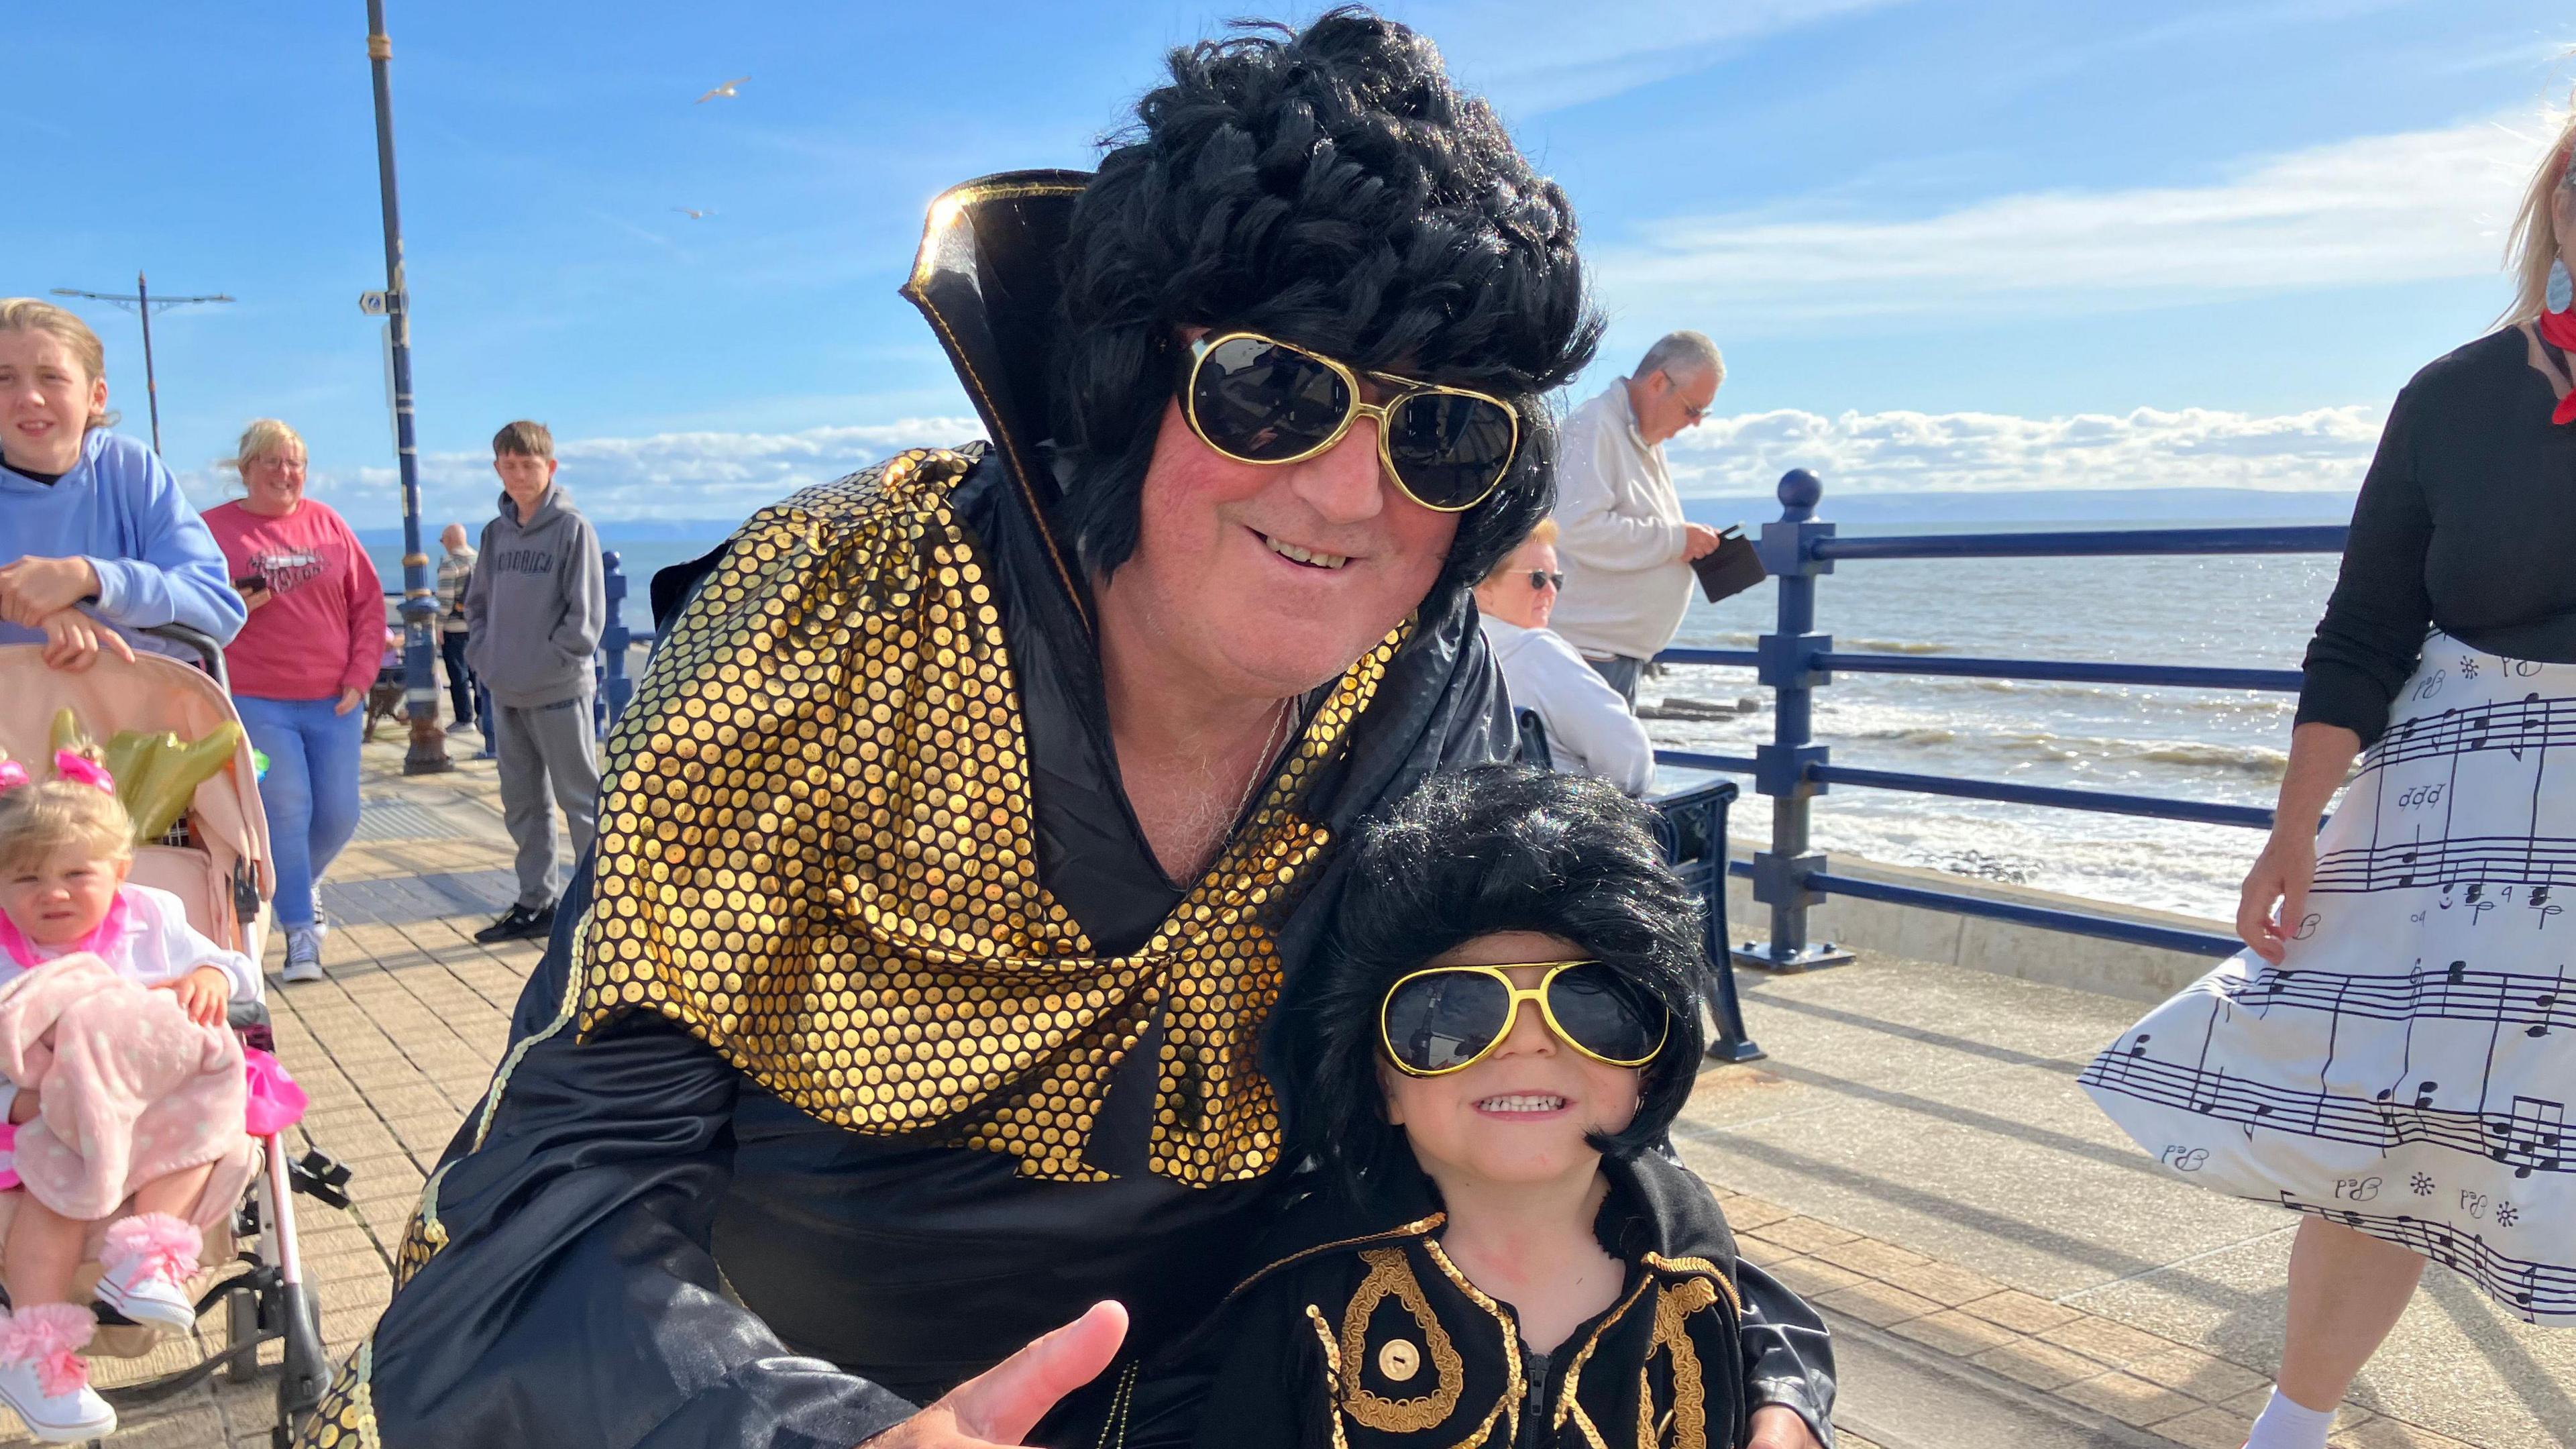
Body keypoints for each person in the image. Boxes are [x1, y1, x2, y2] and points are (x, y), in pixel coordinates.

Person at [298, 15, 1833, 1449]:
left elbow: (1523, 1081)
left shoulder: (1434, 699)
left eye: (1434, 431)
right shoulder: (841, 613)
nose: (1345, 495)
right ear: (1127, 377)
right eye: (1272, 391)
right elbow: (559, 1183)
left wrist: (1741, 1351)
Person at [2080, 102, 2576, 1449]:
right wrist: (2292, 831)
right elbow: (2361, 638)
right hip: (2450, 813)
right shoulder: (2455, 398)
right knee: (2388, 1150)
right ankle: (2288, 1430)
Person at [1169, 766, 1831, 1448]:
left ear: (1652, 1061)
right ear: (1380, 1082)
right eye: (1450, 1010)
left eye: (1590, 1004)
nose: (1527, 1042)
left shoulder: (1691, 1260)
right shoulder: (1305, 1286)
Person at [0, 748, 260, 1442]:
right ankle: (34, 1355)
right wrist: (22, 1105)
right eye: (26, 878)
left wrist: (210, 974)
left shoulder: (152, 916)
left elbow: (236, 973)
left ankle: (146, 1260)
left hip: (156, 1114)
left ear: (119, 873)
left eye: (76, 874)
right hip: (46, 1119)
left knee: (216, 1123)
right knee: (52, 1187)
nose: (51, 893)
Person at [201, 420, 382, 985]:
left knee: (339, 814)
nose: (286, 473)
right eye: (274, 462)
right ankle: (301, 936)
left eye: (296, 463)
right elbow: (188, 609)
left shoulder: (329, 523)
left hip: (333, 698)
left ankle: (302, 882)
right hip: (257, 698)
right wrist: (231, 607)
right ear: (247, 467)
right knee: (286, 807)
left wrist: (362, 672)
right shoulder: (212, 530)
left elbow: (369, 604)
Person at [0, 299, 246, 672]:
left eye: (51, 377)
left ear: (96, 396)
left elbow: (217, 608)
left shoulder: (130, 469)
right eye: (4, 378)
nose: (29, 398)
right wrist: (25, 608)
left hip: (131, 719)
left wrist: (93, 579)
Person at [463, 421, 604, 945]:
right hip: (505, 690)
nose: (520, 474)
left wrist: (548, 663)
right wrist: (486, 658)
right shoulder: (494, 534)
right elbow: (476, 606)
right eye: (511, 464)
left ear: (551, 467)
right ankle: (535, 902)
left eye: (530, 464)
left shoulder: (572, 529)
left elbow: (585, 620)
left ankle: (599, 907)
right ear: (497, 468)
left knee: (581, 800)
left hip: (558, 691)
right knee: (522, 803)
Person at [1547, 331, 1728, 707]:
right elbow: (1575, 527)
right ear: (1659, 382)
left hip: (1608, 653)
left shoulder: (1640, 435)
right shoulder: (1594, 426)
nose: (1695, 423)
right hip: (1590, 652)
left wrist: (1683, 539)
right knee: (1593, 767)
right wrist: (1678, 540)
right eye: (1692, 409)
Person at [1476, 519, 1655, 795]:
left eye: (1556, 580)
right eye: (1536, 579)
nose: (1551, 592)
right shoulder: (1537, 653)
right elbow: (1631, 763)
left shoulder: (1448, 650)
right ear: (1485, 585)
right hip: (1556, 826)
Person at [435, 522, 478, 732]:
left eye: (443, 540)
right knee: (479, 674)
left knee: (458, 674)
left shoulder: (450, 563)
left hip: (455, 628)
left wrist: (438, 626)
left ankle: (464, 718)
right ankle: (484, 715)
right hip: (478, 627)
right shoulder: (480, 559)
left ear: (450, 540)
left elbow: (445, 600)